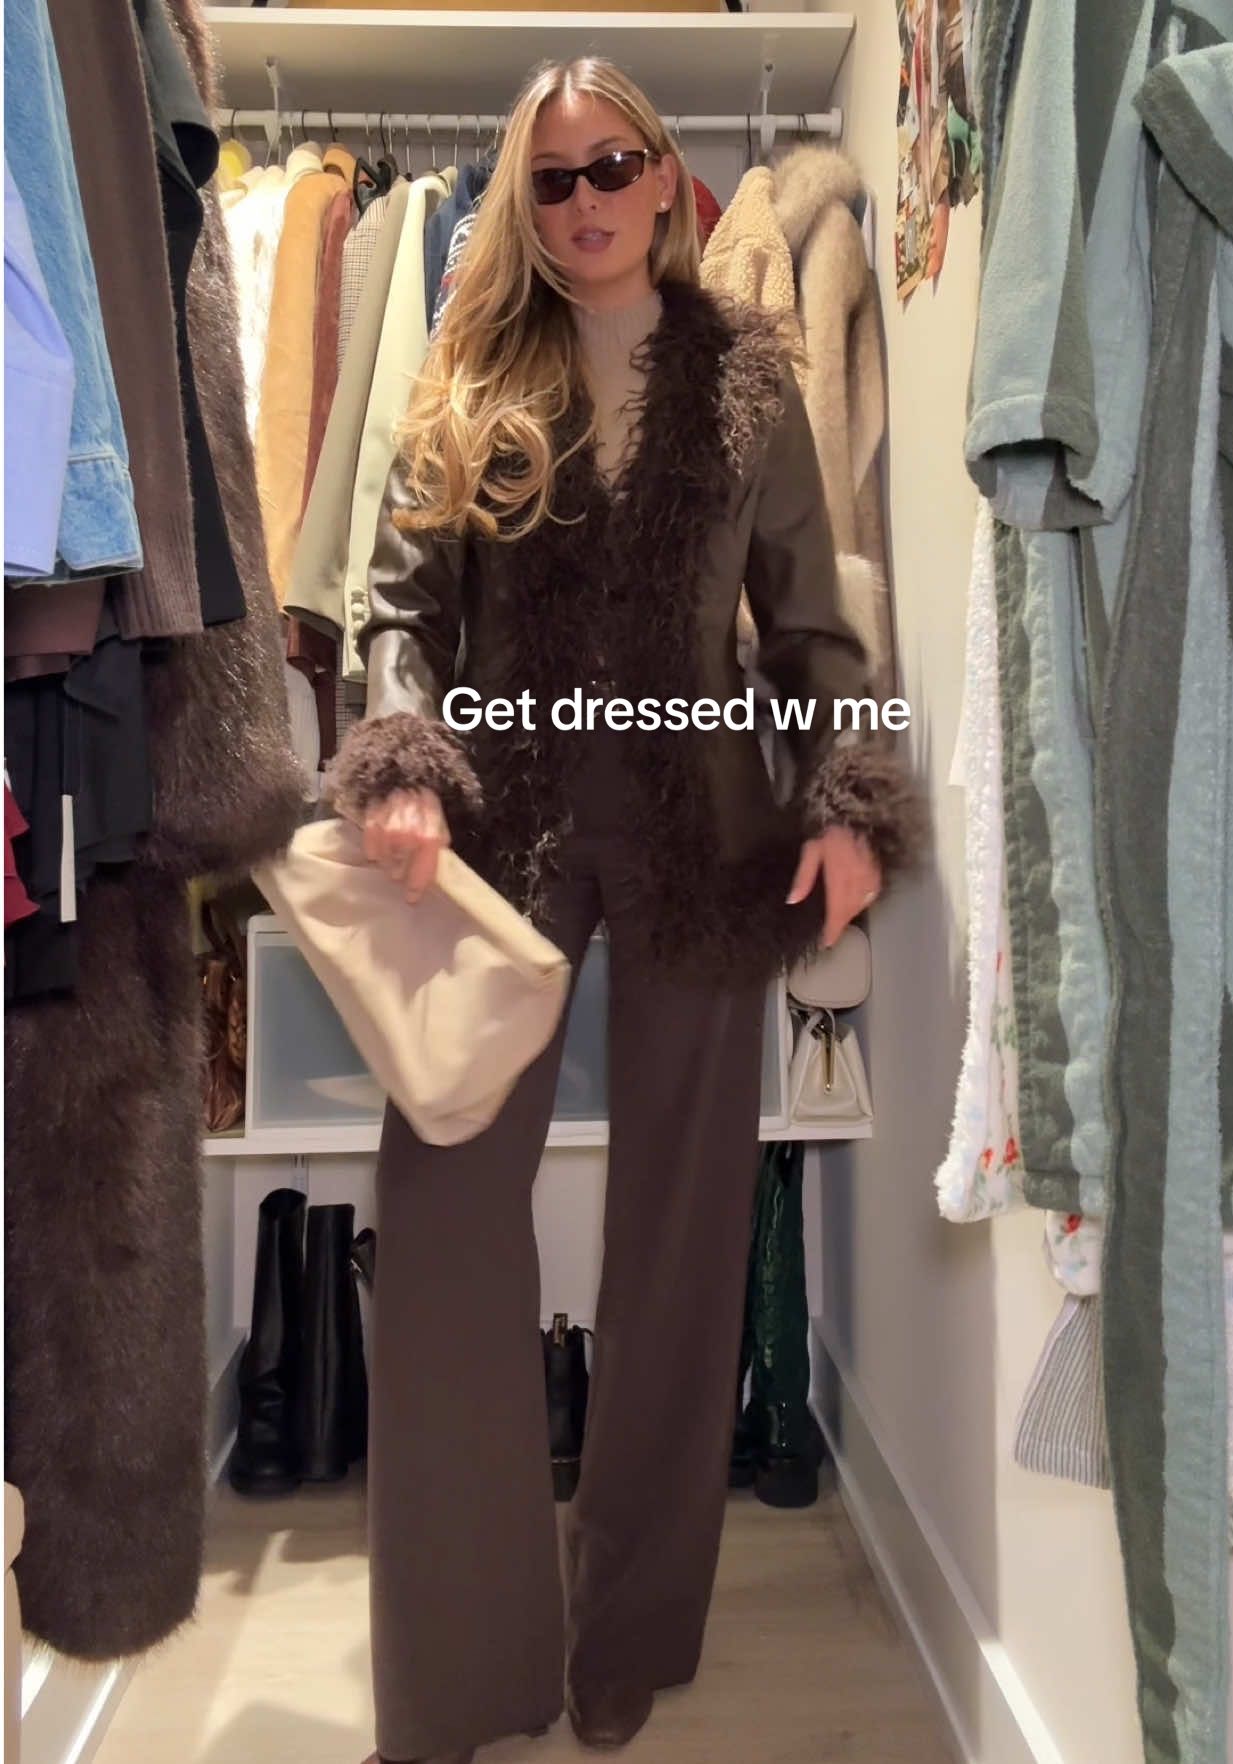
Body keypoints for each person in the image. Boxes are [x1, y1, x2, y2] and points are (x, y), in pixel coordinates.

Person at [327, 56, 921, 1764]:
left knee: (679, 1239)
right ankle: (459, 1667)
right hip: (494, 835)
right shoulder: (467, 363)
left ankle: (631, 1634)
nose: (581, 201)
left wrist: (849, 800)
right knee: (441, 1218)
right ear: (521, 205)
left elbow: (810, 630)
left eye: (609, 167)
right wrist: (402, 761)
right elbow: (396, 606)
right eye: (549, 178)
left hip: (700, 824)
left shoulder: (748, 378)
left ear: (664, 177)